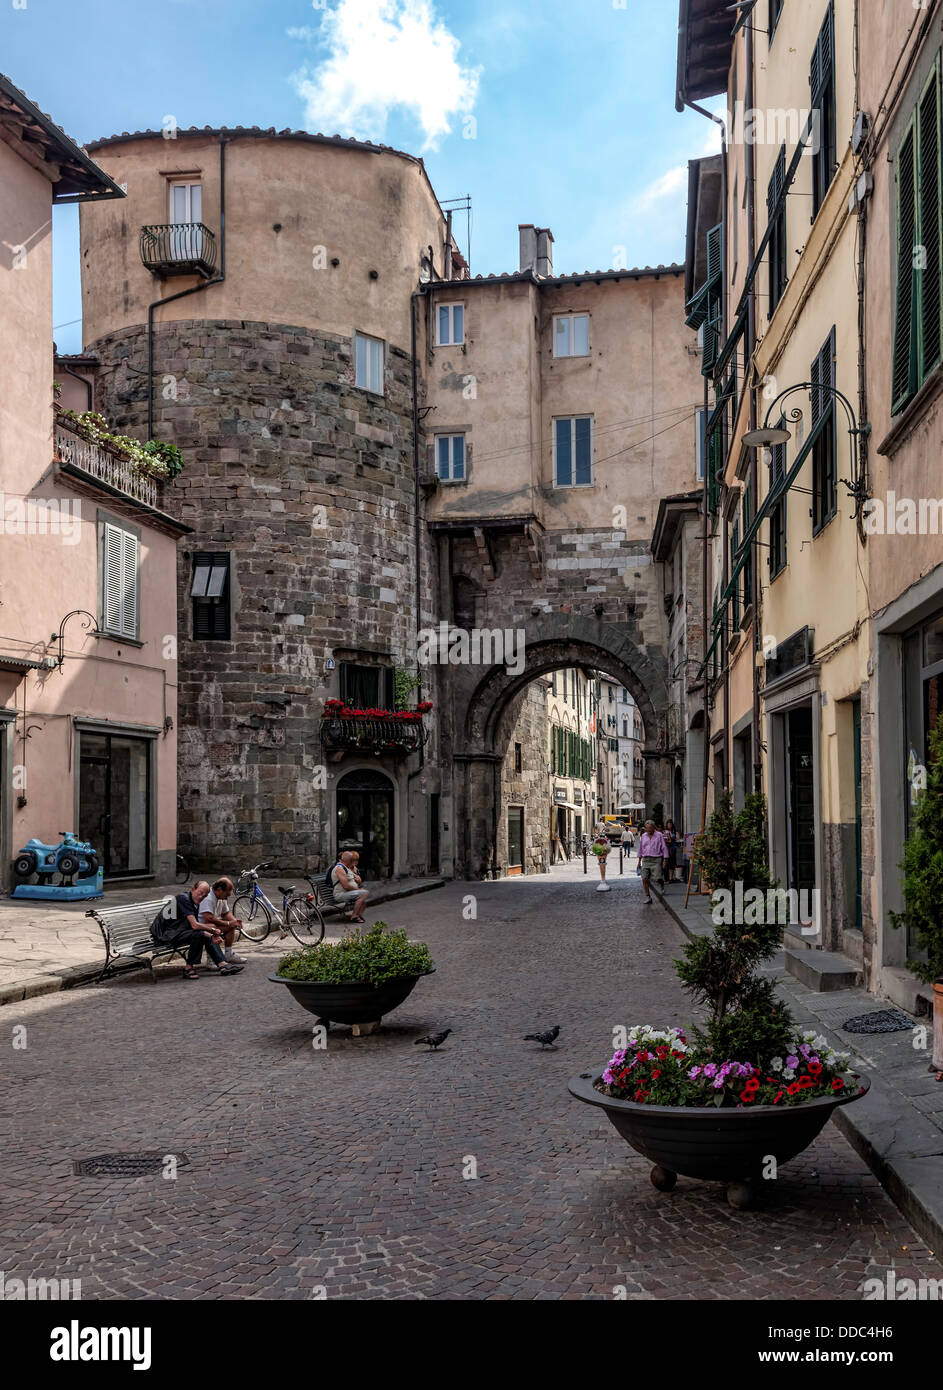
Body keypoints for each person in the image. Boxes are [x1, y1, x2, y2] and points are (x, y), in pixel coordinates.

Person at [152, 881, 244, 979]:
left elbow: (193, 926)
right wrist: (213, 930)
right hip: (164, 935)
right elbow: (195, 925)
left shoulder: (194, 902)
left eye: (204, 896)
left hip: (177, 932)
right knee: (200, 934)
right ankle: (189, 968)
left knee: (204, 933)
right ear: (193, 889)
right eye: (200, 893)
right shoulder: (183, 899)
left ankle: (222, 964)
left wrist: (212, 934)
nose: (201, 897)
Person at [198, 876, 249, 964]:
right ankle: (212, 959)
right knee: (213, 927)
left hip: (211, 924)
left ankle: (228, 954)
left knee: (231, 926)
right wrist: (228, 923)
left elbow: (225, 913)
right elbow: (208, 918)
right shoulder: (208, 897)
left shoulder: (222, 897)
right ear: (220, 889)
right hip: (202, 925)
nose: (229, 894)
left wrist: (234, 921)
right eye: (228, 891)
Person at [330, 850, 368, 922]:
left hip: (348, 892)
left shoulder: (347, 868)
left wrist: (358, 882)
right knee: (364, 893)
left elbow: (357, 878)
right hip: (341, 895)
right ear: (349, 861)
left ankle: (358, 915)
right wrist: (358, 890)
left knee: (365, 894)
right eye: (352, 860)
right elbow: (346, 886)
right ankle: (354, 916)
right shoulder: (340, 869)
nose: (354, 862)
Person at [637, 820, 669, 905]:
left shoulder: (659, 835)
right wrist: (639, 861)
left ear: (654, 828)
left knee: (657, 878)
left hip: (656, 859)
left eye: (650, 828)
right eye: (647, 828)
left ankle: (661, 883)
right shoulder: (643, 836)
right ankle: (648, 897)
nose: (648, 830)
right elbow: (641, 848)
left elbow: (664, 847)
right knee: (644, 878)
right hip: (646, 859)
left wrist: (665, 860)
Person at [664, 819, 680, 883]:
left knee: (672, 863)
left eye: (670, 824)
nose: (669, 825)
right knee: (666, 864)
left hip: (673, 849)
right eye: (668, 824)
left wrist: (672, 838)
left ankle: (671, 878)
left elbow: (677, 838)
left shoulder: (674, 832)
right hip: (666, 849)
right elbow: (664, 840)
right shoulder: (665, 832)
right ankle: (667, 878)